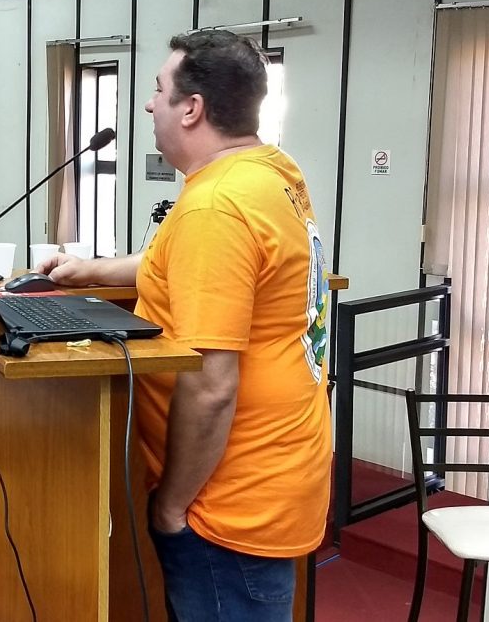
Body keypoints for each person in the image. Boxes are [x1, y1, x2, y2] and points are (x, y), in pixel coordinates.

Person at [34, 31, 331, 621]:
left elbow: (212, 386)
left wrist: (171, 505)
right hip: (276, 463)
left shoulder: (216, 206)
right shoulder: (268, 172)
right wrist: (89, 269)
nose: (149, 104)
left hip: (225, 496)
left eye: (158, 90)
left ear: (191, 108)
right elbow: (183, 263)